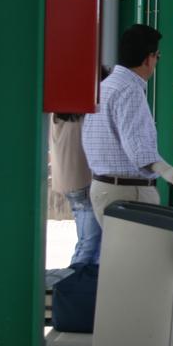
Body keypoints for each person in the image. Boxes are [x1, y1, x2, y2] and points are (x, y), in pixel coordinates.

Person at [83, 24, 173, 224]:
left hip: (102, 186)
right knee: (140, 255)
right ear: (148, 58)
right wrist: (169, 171)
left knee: (118, 254)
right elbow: (137, 147)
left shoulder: (104, 87)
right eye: (157, 56)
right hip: (127, 193)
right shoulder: (130, 90)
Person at [50, 112, 101, 266]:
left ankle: (84, 283)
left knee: (90, 242)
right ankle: (73, 283)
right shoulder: (79, 118)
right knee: (89, 243)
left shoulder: (57, 116)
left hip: (68, 181)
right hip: (81, 181)